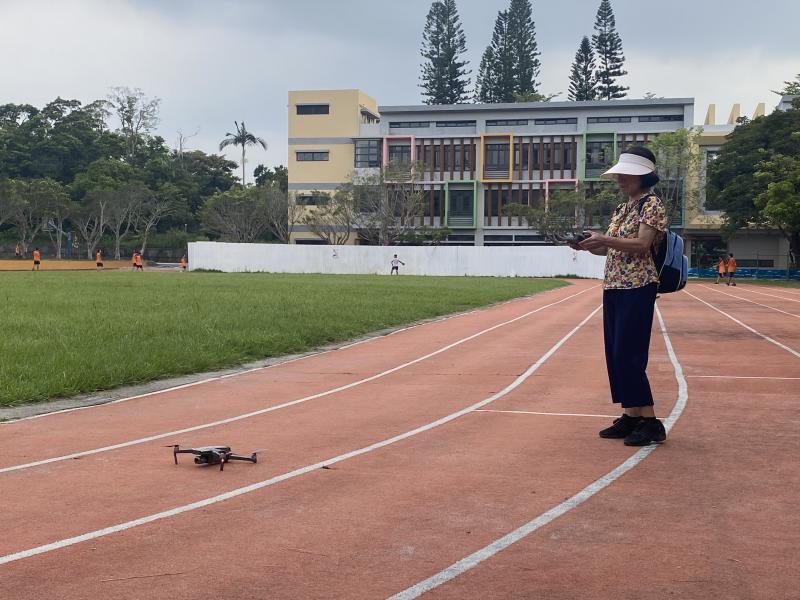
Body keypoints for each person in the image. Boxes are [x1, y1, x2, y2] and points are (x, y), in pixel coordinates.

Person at [571, 146, 668, 446]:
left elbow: (641, 245)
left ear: (643, 176)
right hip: (614, 285)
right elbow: (609, 248)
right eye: (620, 175)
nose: (620, 179)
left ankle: (651, 421)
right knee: (615, 352)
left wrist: (604, 238)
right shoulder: (622, 209)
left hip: (638, 286)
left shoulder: (651, 206)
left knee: (630, 352)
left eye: (626, 175)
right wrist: (588, 244)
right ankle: (631, 414)